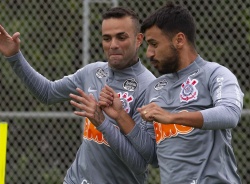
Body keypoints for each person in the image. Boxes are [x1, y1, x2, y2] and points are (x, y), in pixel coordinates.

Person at [0, 7, 157, 184]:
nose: (113, 45)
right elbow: (47, 93)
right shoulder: (92, 72)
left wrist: (103, 123)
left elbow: (142, 163)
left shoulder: (149, 87)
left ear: (139, 39)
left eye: (121, 37)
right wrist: (15, 57)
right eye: (106, 38)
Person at [98, 2, 244, 184]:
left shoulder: (215, 74)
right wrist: (120, 115)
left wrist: (172, 117)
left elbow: (230, 114)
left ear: (179, 40)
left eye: (154, 44)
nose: (149, 53)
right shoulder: (155, 88)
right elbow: (152, 156)